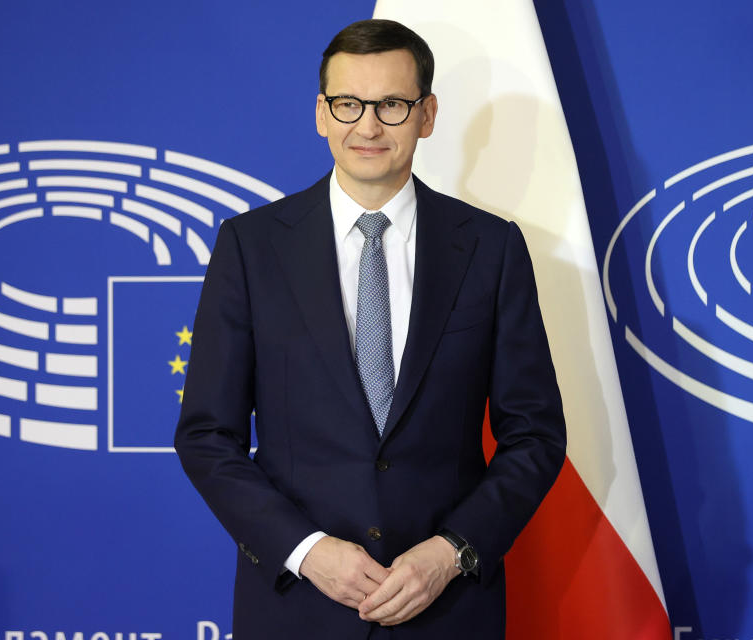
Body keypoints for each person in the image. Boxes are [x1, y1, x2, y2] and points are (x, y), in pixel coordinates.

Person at [174, 18, 566, 640]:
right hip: (296, 608)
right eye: (348, 103)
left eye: (392, 104)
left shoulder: (491, 248)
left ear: (427, 114)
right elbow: (206, 436)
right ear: (322, 114)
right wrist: (305, 550)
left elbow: (535, 436)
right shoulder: (250, 247)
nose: (369, 125)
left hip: (449, 609)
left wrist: (451, 552)